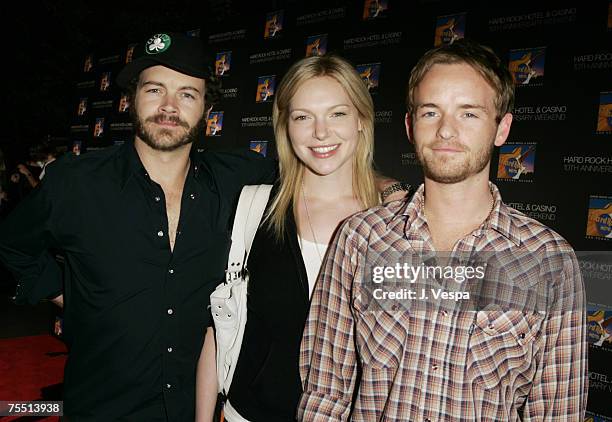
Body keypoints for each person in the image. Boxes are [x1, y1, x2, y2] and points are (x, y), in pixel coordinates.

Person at [298, 39, 588, 420]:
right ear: (409, 125)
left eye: (469, 114)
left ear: (502, 129)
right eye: (431, 112)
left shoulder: (549, 260)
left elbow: (557, 414)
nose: (446, 131)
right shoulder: (358, 238)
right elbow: (325, 394)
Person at [0, 32, 276, 421]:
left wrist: (389, 184)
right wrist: (65, 294)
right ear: (131, 99)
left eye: (186, 93)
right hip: (99, 407)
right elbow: (12, 245)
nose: (169, 106)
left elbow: (314, 173)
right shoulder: (75, 182)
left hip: (189, 409)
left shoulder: (238, 179)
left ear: (206, 109)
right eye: (155, 90)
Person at [196, 54, 409, 421]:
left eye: (337, 114)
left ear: (362, 120)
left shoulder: (398, 223)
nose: (320, 132)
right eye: (302, 117)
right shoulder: (253, 208)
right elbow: (220, 328)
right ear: (285, 127)